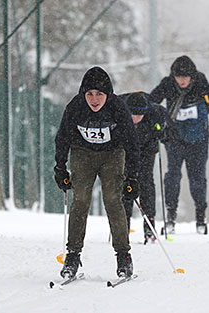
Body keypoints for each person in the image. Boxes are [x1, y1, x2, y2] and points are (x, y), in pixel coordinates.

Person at [54, 66, 140, 279]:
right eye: (90, 94)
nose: (94, 99)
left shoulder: (118, 108)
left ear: (107, 94)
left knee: (112, 199)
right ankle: (73, 255)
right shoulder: (75, 107)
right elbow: (62, 137)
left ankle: (123, 256)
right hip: (82, 153)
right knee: (80, 199)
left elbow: (132, 142)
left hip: (112, 154)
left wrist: (132, 177)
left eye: (99, 94)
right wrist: (60, 167)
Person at [149, 55, 209, 234]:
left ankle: (201, 217)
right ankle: (170, 217)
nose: (182, 81)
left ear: (192, 76)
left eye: (185, 77)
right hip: (174, 138)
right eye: (178, 77)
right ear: (173, 76)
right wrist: (160, 121)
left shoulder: (200, 83)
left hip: (198, 140)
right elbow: (151, 102)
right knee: (173, 176)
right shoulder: (167, 84)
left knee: (197, 178)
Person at [120, 91, 166, 243]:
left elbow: (170, 131)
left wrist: (161, 133)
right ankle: (122, 225)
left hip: (146, 151)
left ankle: (149, 225)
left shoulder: (156, 113)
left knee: (146, 182)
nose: (135, 118)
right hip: (124, 151)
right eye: (132, 114)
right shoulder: (118, 109)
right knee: (125, 183)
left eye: (139, 115)